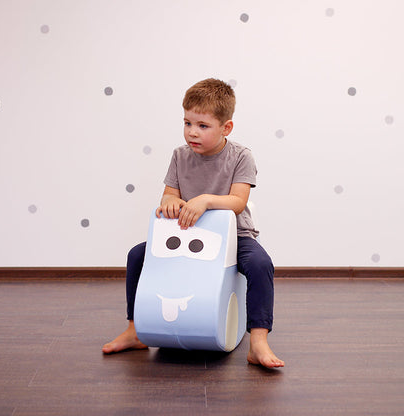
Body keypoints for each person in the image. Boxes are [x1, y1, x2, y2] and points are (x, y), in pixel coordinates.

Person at [102, 78, 285, 369]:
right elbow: (168, 196)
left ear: (226, 128)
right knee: (137, 255)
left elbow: (238, 201)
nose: (192, 132)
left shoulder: (240, 156)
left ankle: (258, 341)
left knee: (261, 264)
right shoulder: (179, 156)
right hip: (187, 235)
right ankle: (135, 330)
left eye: (202, 126)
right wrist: (170, 203)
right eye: (187, 123)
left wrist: (205, 200)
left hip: (234, 235)